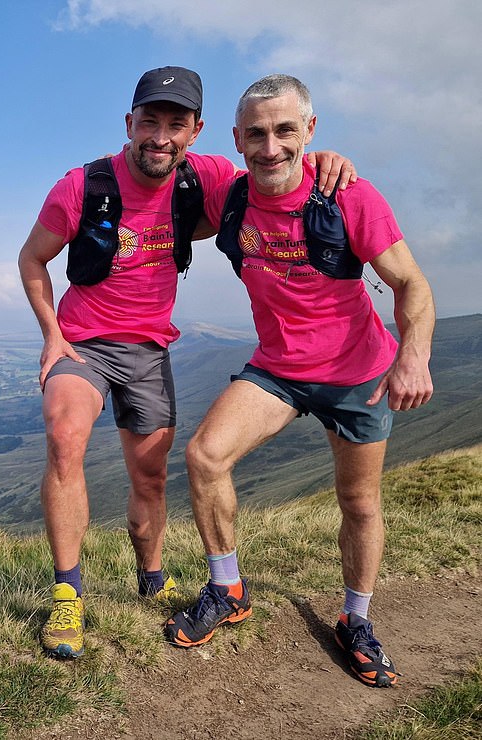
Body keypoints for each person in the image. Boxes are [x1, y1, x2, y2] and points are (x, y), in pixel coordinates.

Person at [18, 66, 356, 660]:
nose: (160, 136)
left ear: (197, 131)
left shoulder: (206, 177)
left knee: (150, 477)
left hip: (150, 351)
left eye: (176, 124)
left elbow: (274, 175)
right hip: (83, 345)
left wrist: (321, 157)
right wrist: (51, 336)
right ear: (129, 123)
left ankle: (151, 577)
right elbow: (32, 260)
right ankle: (67, 594)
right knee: (64, 435)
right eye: (150, 121)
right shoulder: (81, 187)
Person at [165, 74, 435, 689]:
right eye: (256, 134)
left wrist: (413, 355)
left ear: (309, 131)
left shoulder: (350, 196)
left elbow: (411, 284)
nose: (270, 147)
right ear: (235, 139)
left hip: (356, 374)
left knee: (359, 502)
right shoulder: (228, 195)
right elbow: (161, 154)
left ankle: (357, 620)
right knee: (206, 457)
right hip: (278, 368)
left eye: (286, 130)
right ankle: (228, 587)